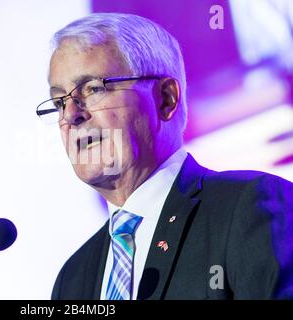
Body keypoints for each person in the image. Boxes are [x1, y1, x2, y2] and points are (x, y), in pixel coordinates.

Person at [36, 13, 293, 300]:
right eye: (60, 101)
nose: (71, 115)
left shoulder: (250, 207)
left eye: (94, 89)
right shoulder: (73, 279)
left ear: (165, 98)